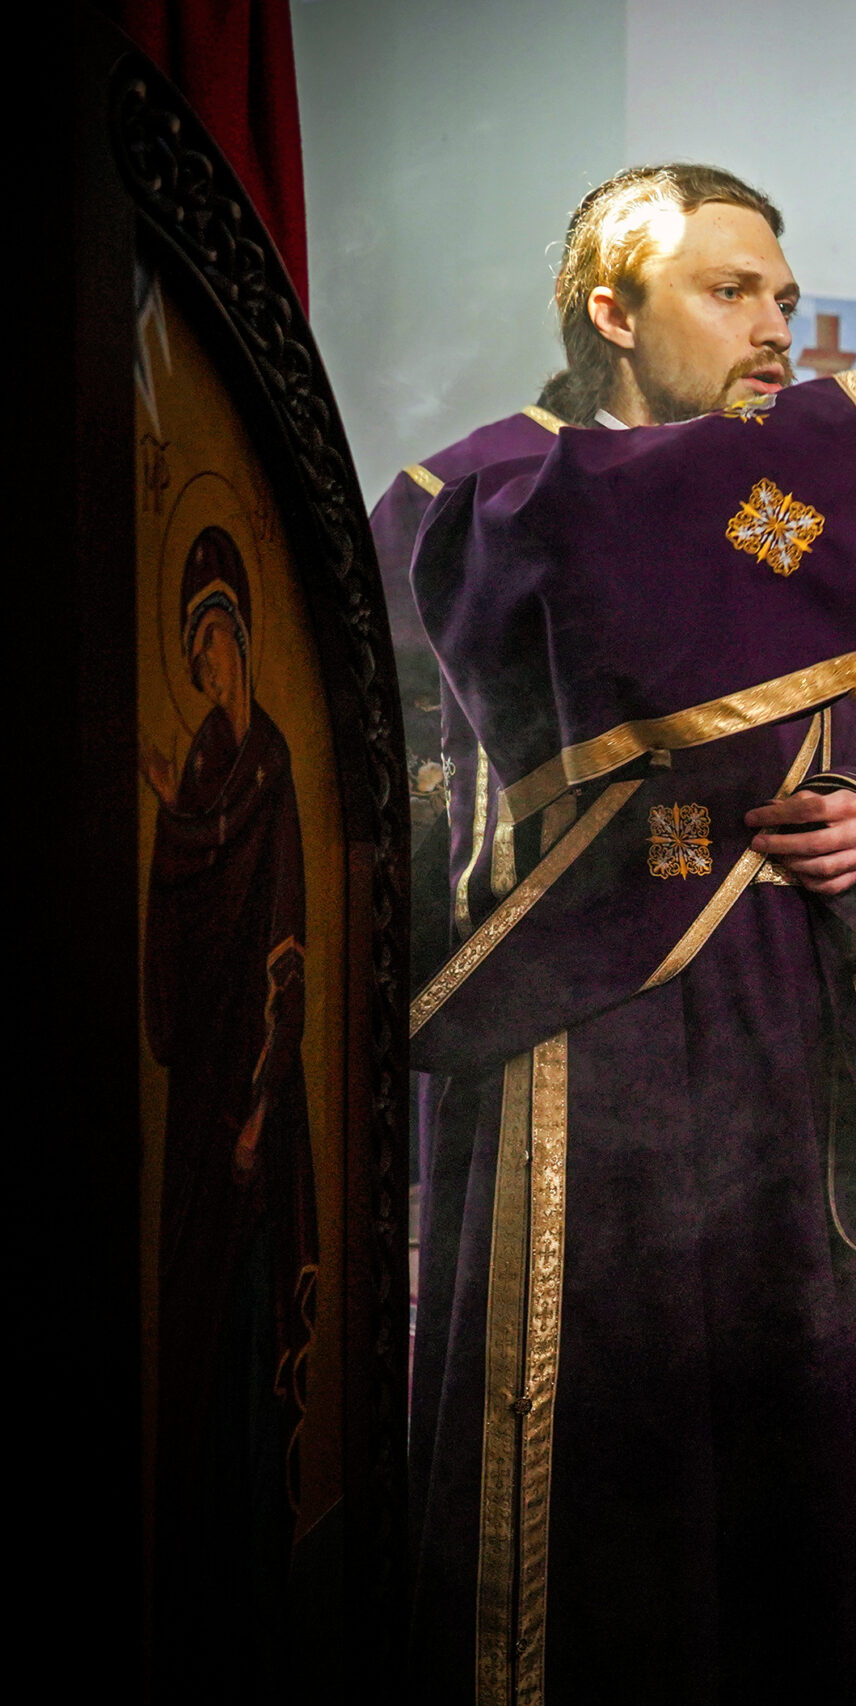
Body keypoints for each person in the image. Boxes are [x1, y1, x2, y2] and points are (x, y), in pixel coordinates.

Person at [401, 163, 856, 1702]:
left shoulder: (779, 510)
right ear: (613, 311)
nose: (772, 331)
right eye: (728, 291)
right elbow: (598, 567)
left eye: (785, 302)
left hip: (776, 1045)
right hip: (577, 1049)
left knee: (777, 1441)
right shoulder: (481, 493)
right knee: (603, 1449)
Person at [143, 525, 316, 1698]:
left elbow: (284, 934)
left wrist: (260, 1100)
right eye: (194, 650)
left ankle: (257, 1552)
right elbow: (179, 926)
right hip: (201, 1090)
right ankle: (198, 1556)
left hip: (259, 1087)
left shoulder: (274, 765)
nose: (207, 666)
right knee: (195, 1320)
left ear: (242, 643)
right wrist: (172, 823)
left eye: (215, 644)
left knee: (252, 1322)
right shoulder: (203, 765)